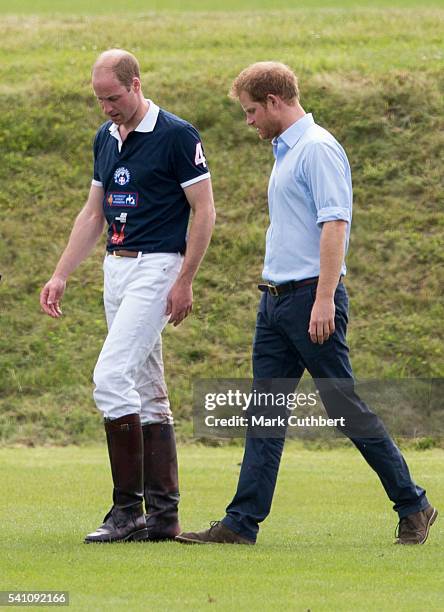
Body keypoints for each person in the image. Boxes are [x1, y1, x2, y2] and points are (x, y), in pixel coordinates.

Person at [176, 62, 437, 546]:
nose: (248, 121)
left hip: (310, 301)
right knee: (265, 412)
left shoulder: (317, 149)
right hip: (275, 303)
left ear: (275, 101)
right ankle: (240, 524)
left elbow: (334, 225)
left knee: (345, 408)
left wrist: (323, 299)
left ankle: (413, 503)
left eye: (251, 111)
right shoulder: (285, 152)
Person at [40, 49, 216, 543]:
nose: (107, 108)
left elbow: (204, 211)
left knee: (111, 376)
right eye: (99, 100)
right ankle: (163, 517)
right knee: (148, 391)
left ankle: (127, 510)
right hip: (115, 269)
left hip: (157, 265)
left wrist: (185, 279)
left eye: (113, 98)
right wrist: (61, 274)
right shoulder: (105, 137)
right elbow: (93, 213)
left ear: (135, 84)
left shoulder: (177, 135)